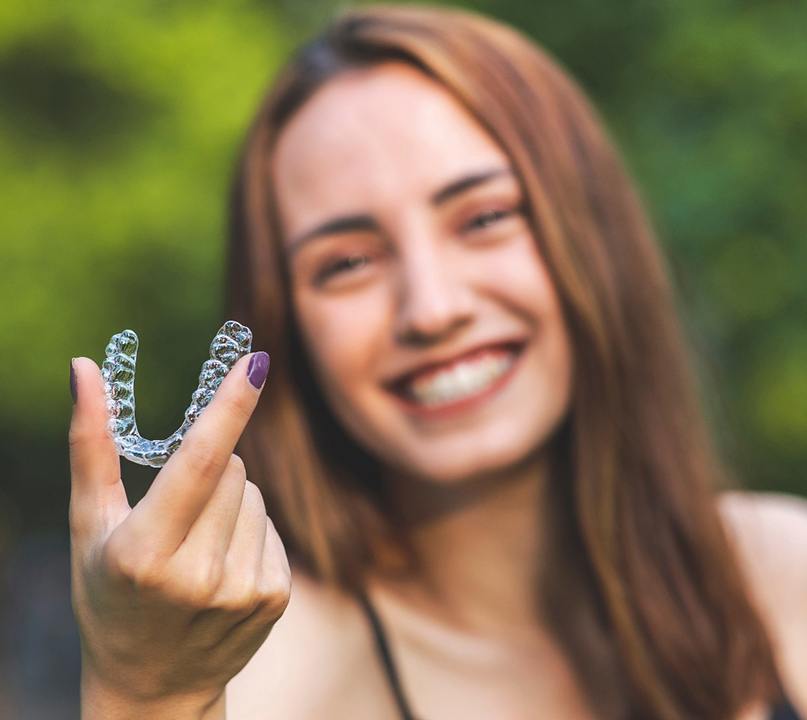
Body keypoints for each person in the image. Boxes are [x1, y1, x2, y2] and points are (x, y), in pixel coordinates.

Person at [68, 5, 807, 719]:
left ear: (595, 234)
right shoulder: (260, 675)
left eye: (483, 217)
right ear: (285, 327)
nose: (431, 308)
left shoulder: (784, 572)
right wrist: (147, 698)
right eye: (348, 262)